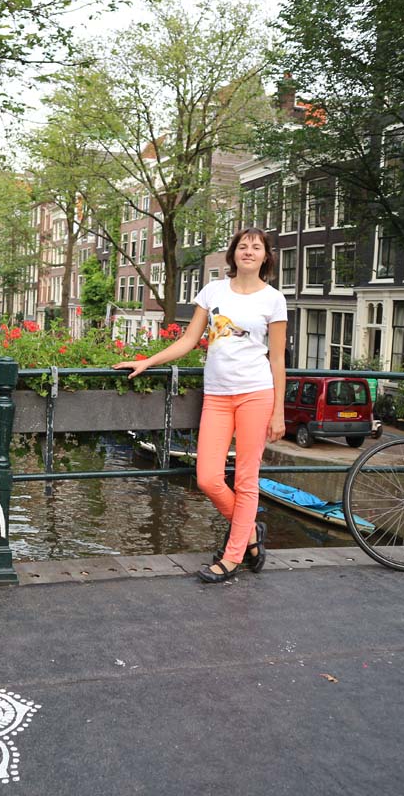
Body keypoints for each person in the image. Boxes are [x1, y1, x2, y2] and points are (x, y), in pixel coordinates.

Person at [114, 227, 288, 583]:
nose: (249, 251)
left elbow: (277, 359)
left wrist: (279, 412)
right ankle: (250, 533)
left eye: (256, 247)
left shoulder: (274, 300)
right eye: (243, 246)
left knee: (246, 479)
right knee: (208, 477)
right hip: (218, 396)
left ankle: (232, 557)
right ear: (233, 253)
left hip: (256, 394)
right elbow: (190, 339)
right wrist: (148, 361)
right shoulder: (213, 291)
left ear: (266, 257)